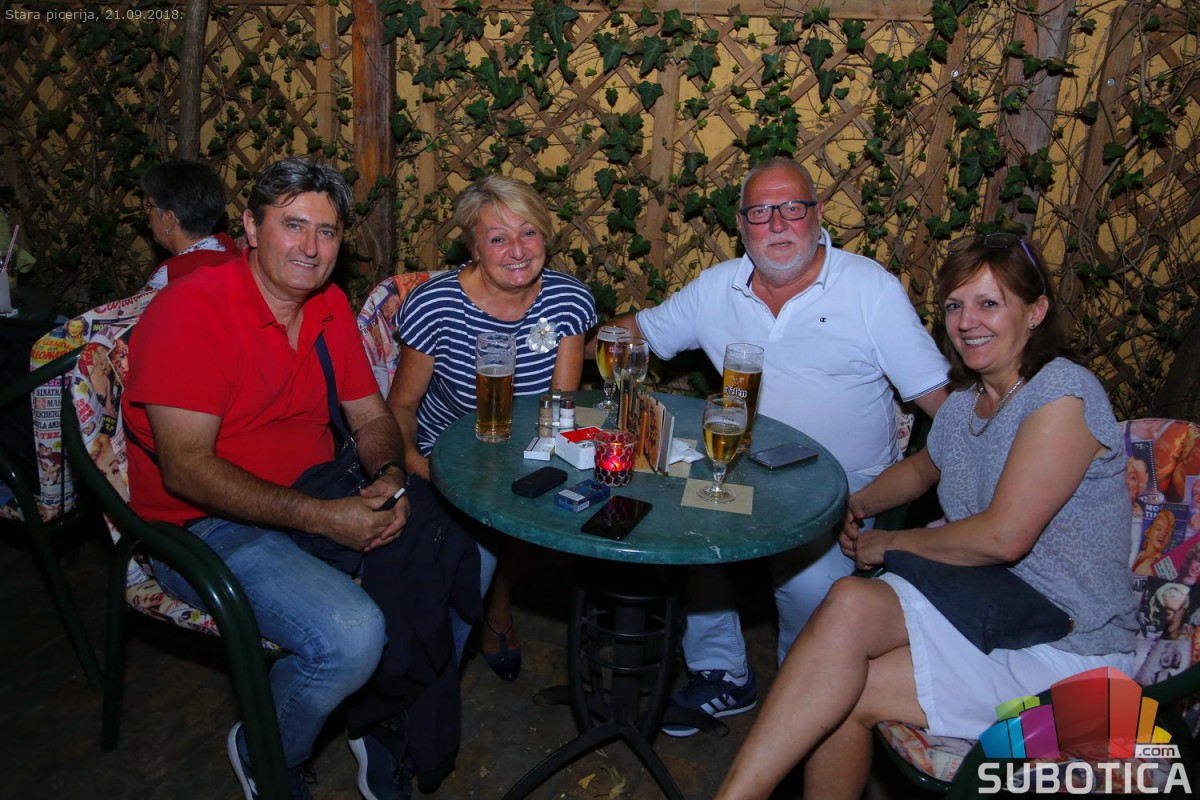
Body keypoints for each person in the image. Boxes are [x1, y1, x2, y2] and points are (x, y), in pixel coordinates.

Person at [714, 234, 1136, 799]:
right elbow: (921, 471)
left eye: (989, 303)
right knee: (846, 620)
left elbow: (1004, 537)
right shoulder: (968, 400)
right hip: (993, 607)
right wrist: (855, 504)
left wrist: (892, 543)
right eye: (955, 305)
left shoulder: (1062, 396)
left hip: (1069, 650)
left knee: (842, 682)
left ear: (1035, 311)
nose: (967, 322)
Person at [123, 158, 474, 800]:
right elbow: (187, 468)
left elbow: (371, 416)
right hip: (202, 526)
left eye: (327, 231)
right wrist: (324, 518)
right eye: (293, 225)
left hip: (318, 486)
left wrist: (389, 476)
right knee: (351, 635)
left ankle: (384, 715)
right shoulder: (190, 312)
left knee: (466, 553)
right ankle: (268, 747)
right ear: (250, 228)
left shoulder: (326, 304)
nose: (311, 248)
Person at [606, 157, 949, 734]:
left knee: (812, 586)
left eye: (793, 207)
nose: (779, 224)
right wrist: (564, 341)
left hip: (846, 489)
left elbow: (948, 408)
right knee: (685, 529)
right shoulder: (716, 289)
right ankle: (723, 674)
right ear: (741, 226)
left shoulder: (869, 290)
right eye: (762, 212)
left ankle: (805, 697)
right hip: (740, 468)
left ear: (818, 215)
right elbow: (634, 333)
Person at [386, 175, 597, 680]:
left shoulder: (568, 300)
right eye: (498, 238)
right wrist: (416, 465)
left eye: (529, 233)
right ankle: (433, 666)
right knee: (460, 554)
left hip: (526, 446)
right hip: (445, 450)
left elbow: (557, 407)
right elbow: (401, 407)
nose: (518, 251)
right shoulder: (435, 304)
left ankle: (499, 603)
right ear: (473, 246)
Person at [139, 159, 240, 290]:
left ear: (169, 219)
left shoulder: (168, 278)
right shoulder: (233, 253)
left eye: (149, 206)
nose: (147, 213)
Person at [1133, 509, 1176, 576]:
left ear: (1168, 540)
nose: (1163, 534)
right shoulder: (1140, 554)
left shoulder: (1162, 564)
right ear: (1148, 532)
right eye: (1159, 529)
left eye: (1167, 532)